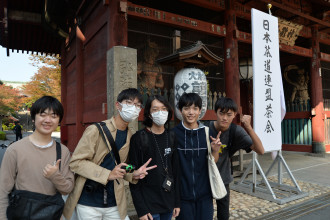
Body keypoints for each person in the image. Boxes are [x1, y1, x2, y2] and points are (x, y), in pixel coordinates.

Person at [63, 88, 157, 220]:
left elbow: (122, 166)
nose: (133, 108)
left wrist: (133, 173)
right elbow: (76, 163)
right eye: (129, 103)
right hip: (89, 202)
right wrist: (107, 174)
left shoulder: (131, 136)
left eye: (137, 105)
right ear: (118, 105)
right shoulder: (96, 130)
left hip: (115, 202)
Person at [0, 96, 75, 220]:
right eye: (43, 114)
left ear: (59, 120)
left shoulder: (62, 151)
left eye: (54, 116)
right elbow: (3, 189)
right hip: (21, 212)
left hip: (52, 214)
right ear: (34, 118)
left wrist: (55, 176)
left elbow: (67, 189)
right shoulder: (15, 149)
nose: (48, 120)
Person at [209, 97, 264, 220]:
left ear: (234, 115)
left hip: (223, 178)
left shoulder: (236, 131)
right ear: (215, 112)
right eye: (221, 113)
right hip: (205, 178)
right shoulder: (206, 130)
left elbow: (260, 150)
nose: (224, 118)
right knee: (205, 213)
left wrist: (248, 127)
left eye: (229, 114)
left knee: (223, 215)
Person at [129, 95, 180, 220]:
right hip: (149, 207)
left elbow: (176, 172)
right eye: (155, 109)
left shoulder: (172, 136)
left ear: (168, 112)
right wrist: (141, 209)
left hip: (168, 204)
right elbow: (131, 171)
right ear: (149, 114)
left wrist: (176, 202)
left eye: (164, 109)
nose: (160, 113)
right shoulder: (138, 138)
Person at [173, 93, 221, 220]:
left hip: (205, 196)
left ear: (200, 111)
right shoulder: (173, 134)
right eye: (186, 108)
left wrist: (215, 150)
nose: (191, 112)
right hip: (183, 197)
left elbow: (213, 161)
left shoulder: (207, 132)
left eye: (195, 108)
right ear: (180, 111)